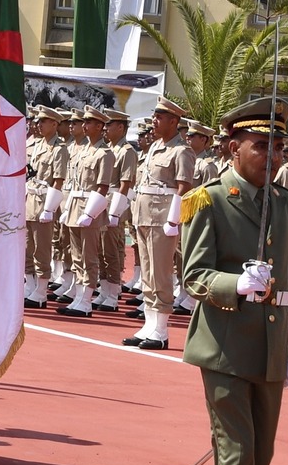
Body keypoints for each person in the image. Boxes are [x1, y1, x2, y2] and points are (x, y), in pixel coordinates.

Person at [171, 96, 288, 465]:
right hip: (224, 345)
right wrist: (236, 284)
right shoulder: (209, 201)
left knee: (259, 457)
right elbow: (194, 277)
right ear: (233, 147)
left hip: (270, 345)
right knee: (236, 455)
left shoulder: (286, 204)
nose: (272, 155)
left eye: (279, 146)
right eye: (261, 145)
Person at [124, 98, 194, 349]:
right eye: (155, 116)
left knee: (160, 273)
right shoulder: (154, 147)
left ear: (173, 121)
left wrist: (173, 219)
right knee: (147, 272)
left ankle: (161, 330)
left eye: (159, 117)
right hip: (143, 215)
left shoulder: (182, 150)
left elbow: (184, 186)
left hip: (162, 218)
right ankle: (149, 324)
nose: (154, 121)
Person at [57, 107, 118, 317]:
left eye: (89, 122)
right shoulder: (82, 150)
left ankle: (86, 300)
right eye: (84, 122)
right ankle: (79, 296)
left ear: (100, 126)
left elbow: (102, 186)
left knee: (89, 256)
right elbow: (73, 183)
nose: (84, 125)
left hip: (90, 208)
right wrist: (67, 209)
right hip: (74, 206)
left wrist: (90, 213)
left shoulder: (105, 154)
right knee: (76, 255)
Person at [24, 107, 67, 308]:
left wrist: (49, 209)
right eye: (38, 121)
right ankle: (29, 285)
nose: (38, 124)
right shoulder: (38, 144)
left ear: (55, 124)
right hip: (30, 201)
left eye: (44, 121)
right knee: (26, 247)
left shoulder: (59, 149)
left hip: (44, 202)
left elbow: (58, 180)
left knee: (42, 249)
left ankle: (41, 291)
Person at [97, 108, 138, 312]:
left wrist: (115, 212)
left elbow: (125, 183)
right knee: (100, 249)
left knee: (112, 251)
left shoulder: (127, 152)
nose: (105, 129)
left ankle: (113, 292)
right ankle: (104, 290)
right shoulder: (108, 148)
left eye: (109, 125)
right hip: (103, 201)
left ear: (120, 127)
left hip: (114, 202)